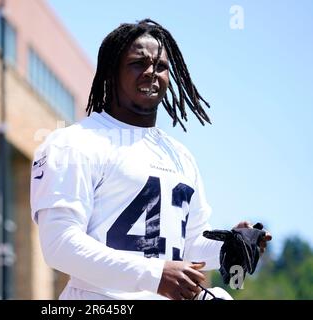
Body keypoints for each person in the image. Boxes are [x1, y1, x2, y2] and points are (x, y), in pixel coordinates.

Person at [30, 19, 272, 300]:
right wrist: (154, 275)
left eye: (160, 66)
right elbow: (59, 244)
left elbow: (188, 247)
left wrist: (229, 246)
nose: (151, 73)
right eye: (138, 63)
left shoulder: (180, 156)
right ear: (111, 71)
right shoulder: (72, 142)